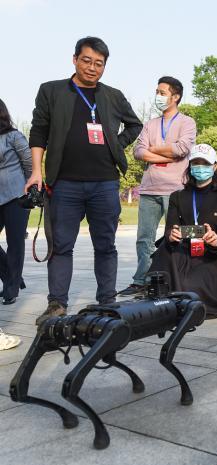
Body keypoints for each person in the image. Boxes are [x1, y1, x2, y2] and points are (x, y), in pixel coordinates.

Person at [25, 37, 142, 325]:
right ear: (75, 59)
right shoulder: (51, 91)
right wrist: (36, 171)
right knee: (61, 246)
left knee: (106, 244)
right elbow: (39, 131)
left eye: (99, 63)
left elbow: (135, 124)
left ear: (105, 66)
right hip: (64, 183)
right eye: (87, 60)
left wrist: (116, 143)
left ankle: (107, 301)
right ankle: (57, 304)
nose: (92, 68)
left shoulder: (112, 96)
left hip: (105, 183)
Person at [148, 144, 217, 318]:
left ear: (215, 166)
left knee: (195, 282)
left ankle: (190, 301)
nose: (200, 168)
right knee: (165, 255)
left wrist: (215, 240)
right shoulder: (177, 196)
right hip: (184, 249)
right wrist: (172, 235)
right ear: (190, 166)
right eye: (196, 164)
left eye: (205, 164)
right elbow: (169, 229)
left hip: (213, 253)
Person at [119, 76, 197, 296]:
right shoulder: (150, 124)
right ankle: (141, 280)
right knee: (144, 238)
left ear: (176, 97)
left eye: (162, 92)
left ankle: (182, 278)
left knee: (180, 235)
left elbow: (181, 149)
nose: (158, 96)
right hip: (149, 189)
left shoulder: (187, 122)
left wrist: (153, 149)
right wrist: (165, 152)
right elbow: (138, 152)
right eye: (157, 92)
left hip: (176, 189)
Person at [0, 98, 31, 305]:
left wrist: (29, 189)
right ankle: (13, 276)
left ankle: (11, 289)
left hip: (16, 197)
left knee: (15, 243)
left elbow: (29, 163)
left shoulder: (13, 136)